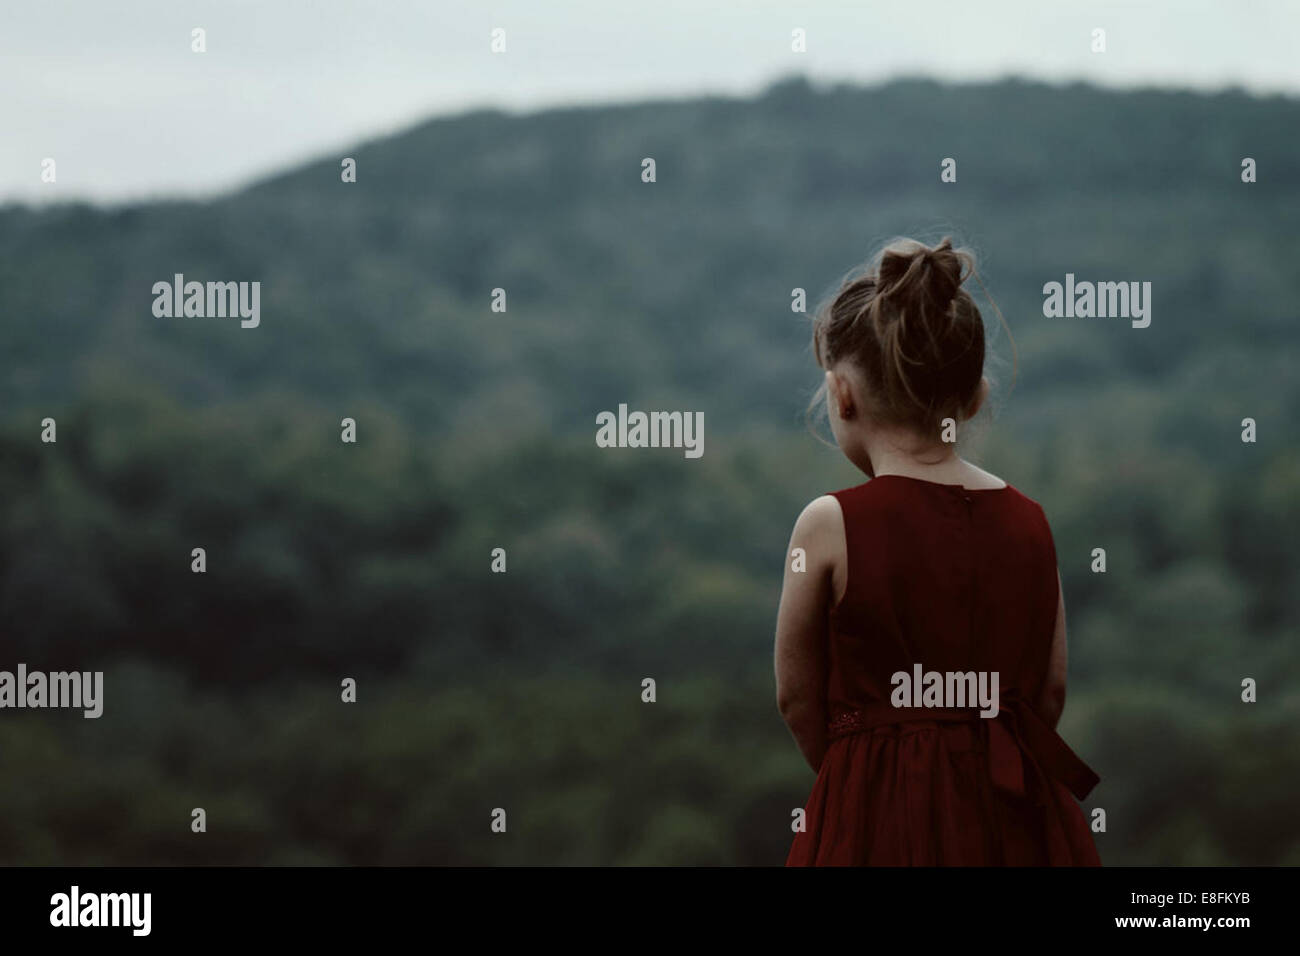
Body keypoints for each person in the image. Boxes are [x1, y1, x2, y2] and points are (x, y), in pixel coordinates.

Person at [776, 237, 1100, 865]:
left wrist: (861, 768)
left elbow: (795, 697)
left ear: (842, 396)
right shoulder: (1030, 521)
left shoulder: (829, 523)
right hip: (1015, 815)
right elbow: (1051, 691)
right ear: (975, 396)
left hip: (872, 815)